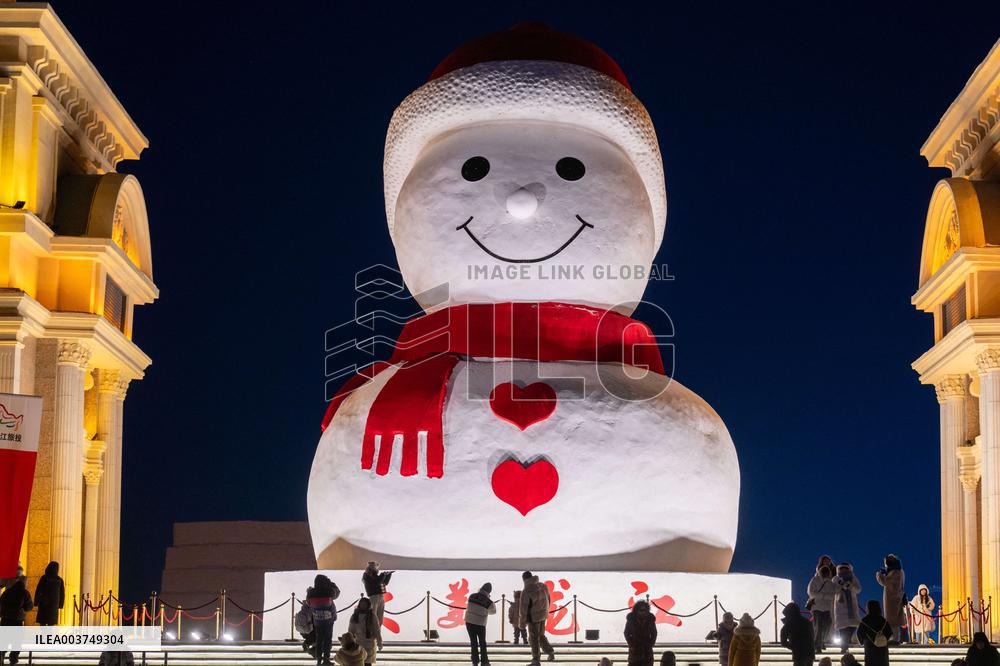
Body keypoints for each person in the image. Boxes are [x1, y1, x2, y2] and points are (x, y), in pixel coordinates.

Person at [519, 571, 555, 665]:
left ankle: (536, 660)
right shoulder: (543, 586)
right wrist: (545, 611)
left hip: (533, 618)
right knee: (541, 635)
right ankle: (550, 652)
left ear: (524, 579)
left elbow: (524, 608)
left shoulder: (527, 590)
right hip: (543, 615)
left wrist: (522, 623)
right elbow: (549, 599)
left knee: (533, 638)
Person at [307, 574, 341, 666]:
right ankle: (326, 659)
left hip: (317, 620)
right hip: (329, 619)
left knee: (319, 639)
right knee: (327, 639)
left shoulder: (311, 592)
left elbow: (308, 603)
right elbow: (337, 592)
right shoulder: (329, 591)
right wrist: (330, 583)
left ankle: (318, 660)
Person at [0, 571, 32, 666]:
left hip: (5, 619)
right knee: (16, 642)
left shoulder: (7, 592)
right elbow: (28, 606)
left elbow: (1, 604)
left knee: (4, 640)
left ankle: (1, 655)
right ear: (25, 583)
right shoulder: (25, 593)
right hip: (17, 620)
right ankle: (13, 660)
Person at [464, 582, 496, 666]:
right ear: (489, 591)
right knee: (482, 642)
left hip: (469, 622)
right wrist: (487, 601)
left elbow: (470, 607)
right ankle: (484, 661)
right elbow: (493, 611)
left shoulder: (472, 596)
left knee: (473, 642)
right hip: (480, 624)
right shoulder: (488, 601)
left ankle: (475, 661)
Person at [832, 563, 862, 652]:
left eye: (846, 569)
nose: (844, 571)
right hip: (840, 605)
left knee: (853, 625)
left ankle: (846, 643)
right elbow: (833, 590)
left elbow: (858, 589)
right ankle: (844, 646)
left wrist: (850, 586)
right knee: (842, 627)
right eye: (842, 569)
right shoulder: (835, 579)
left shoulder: (853, 579)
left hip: (852, 606)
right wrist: (840, 586)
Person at [362, 561, 392, 646]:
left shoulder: (375, 576)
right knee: (373, 618)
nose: (376, 569)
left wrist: (388, 575)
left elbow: (384, 583)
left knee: (379, 619)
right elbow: (376, 582)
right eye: (375, 567)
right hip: (373, 597)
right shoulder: (366, 576)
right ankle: (371, 637)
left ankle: (377, 637)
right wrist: (383, 575)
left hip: (381, 597)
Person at [876, 555, 905, 642]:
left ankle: (894, 639)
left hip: (892, 599)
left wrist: (879, 575)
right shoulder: (899, 571)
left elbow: (886, 582)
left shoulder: (895, 572)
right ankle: (894, 638)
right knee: (894, 621)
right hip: (896, 598)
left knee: (892, 621)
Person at [808, 565, 837, 652]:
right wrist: (824, 596)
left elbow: (833, 594)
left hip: (827, 608)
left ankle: (822, 641)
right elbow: (811, 592)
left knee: (828, 625)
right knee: (819, 627)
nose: (825, 574)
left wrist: (822, 596)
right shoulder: (815, 580)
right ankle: (817, 646)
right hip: (817, 607)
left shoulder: (830, 583)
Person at [856, 600, 892, 666]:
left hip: (869, 647)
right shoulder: (883, 620)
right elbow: (889, 632)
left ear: (868, 608)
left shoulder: (865, 620)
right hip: (882, 648)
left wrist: (862, 642)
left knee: (870, 662)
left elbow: (859, 633)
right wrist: (884, 639)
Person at [624, 599, 657, 666]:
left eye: (644, 610)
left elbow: (654, 633)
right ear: (636, 610)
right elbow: (626, 633)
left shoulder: (650, 619)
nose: (643, 612)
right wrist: (631, 645)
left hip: (647, 650)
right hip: (635, 649)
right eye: (641, 610)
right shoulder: (631, 618)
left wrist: (650, 644)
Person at [348, 597, 380, 666]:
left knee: (367, 663)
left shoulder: (372, 616)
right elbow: (351, 631)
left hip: (370, 644)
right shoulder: (355, 616)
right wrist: (349, 642)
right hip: (358, 644)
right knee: (358, 662)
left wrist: (380, 641)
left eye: (365, 604)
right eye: (362, 604)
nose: (363, 606)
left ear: (368, 605)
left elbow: (377, 630)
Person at [33, 561, 64, 627]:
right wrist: (60, 605)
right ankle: (48, 637)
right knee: (51, 624)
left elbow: (38, 590)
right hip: (54, 605)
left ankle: (43, 637)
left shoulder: (44, 578)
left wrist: (36, 602)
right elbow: (62, 594)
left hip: (43, 603)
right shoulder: (59, 580)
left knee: (43, 624)